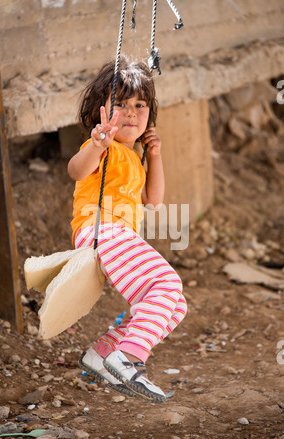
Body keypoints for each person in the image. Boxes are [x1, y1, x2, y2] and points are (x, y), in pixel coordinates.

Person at [67, 56, 187, 403]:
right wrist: (97, 143)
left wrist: (155, 154)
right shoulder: (103, 148)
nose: (131, 113)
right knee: (166, 283)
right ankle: (130, 358)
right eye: (120, 104)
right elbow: (76, 171)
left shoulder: (133, 157)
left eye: (140, 105)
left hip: (121, 236)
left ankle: (102, 354)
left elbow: (153, 201)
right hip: (100, 230)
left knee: (174, 305)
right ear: (101, 112)